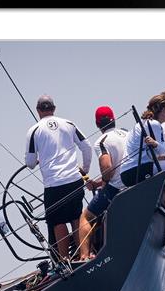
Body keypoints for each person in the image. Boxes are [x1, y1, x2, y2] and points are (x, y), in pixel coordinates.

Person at [118, 94, 165, 258]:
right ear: (161, 110)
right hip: (135, 171)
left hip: (132, 169)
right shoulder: (154, 124)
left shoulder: (146, 123)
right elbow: (161, 153)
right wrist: (157, 145)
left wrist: (156, 145)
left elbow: (160, 153)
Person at [25, 95, 93, 259]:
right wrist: (84, 170)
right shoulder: (69, 124)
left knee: (57, 221)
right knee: (77, 217)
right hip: (74, 180)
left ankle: (65, 260)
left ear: (38, 110)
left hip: (54, 185)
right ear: (54, 109)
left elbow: (30, 163)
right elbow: (87, 147)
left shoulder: (34, 130)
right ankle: (82, 256)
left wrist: (40, 158)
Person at [77, 106, 127, 261]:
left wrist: (103, 182)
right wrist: (97, 184)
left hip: (116, 189)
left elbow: (108, 170)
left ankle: (84, 256)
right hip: (135, 184)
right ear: (114, 119)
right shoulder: (128, 133)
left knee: (86, 216)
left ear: (97, 124)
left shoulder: (101, 142)